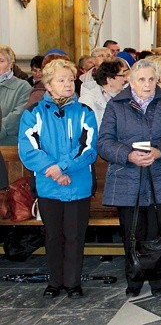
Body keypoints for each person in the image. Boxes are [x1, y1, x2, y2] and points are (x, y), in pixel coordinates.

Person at [97, 59, 161, 297]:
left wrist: (160, 152)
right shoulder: (116, 106)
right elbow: (104, 142)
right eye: (141, 79)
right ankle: (134, 281)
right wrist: (128, 155)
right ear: (130, 81)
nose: (147, 84)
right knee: (133, 233)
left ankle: (159, 282)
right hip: (128, 179)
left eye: (151, 79)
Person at [18, 59, 98, 299]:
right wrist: (52, 169)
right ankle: (55, 281)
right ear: (48, 85)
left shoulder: (85, 112)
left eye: (70, 79)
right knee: (52, 235)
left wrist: (62, 167)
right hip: (48, 184)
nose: (67, 84)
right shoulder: (33, 113)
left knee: (75, 235)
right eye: (61, 80)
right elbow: (28, 148)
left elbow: (88, 147)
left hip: (77, 183)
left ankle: (73, 282)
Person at [78, 59, 129, 125]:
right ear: (109, 79)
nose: (126, 79)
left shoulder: (126, 96)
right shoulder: (87, 100)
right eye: (122, 76)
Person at [0, 45, 32, 146]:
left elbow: (17, 116)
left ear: (10, 64)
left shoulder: (22, 87)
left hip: (8, 145)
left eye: (0, 61)